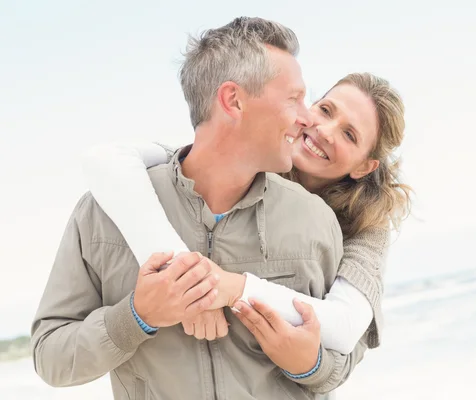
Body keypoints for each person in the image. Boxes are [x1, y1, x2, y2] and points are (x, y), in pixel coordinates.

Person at [31, 17, 363, 400]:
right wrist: (137, 316)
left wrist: (312, 364)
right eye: (293, 99)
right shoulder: (101, 215)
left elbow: (346, 354)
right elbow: (50, 357)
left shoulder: (313, 220)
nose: (307, 118)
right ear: (233, 101)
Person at [82, 72, 411, 359]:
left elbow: (344, 327)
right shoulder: (248, 156)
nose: (325, 130)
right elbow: (106, 159)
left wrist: (229, 288)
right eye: (325, 110)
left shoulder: (367, 224)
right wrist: (188, 275)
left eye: (349, 135)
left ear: (364, 166)